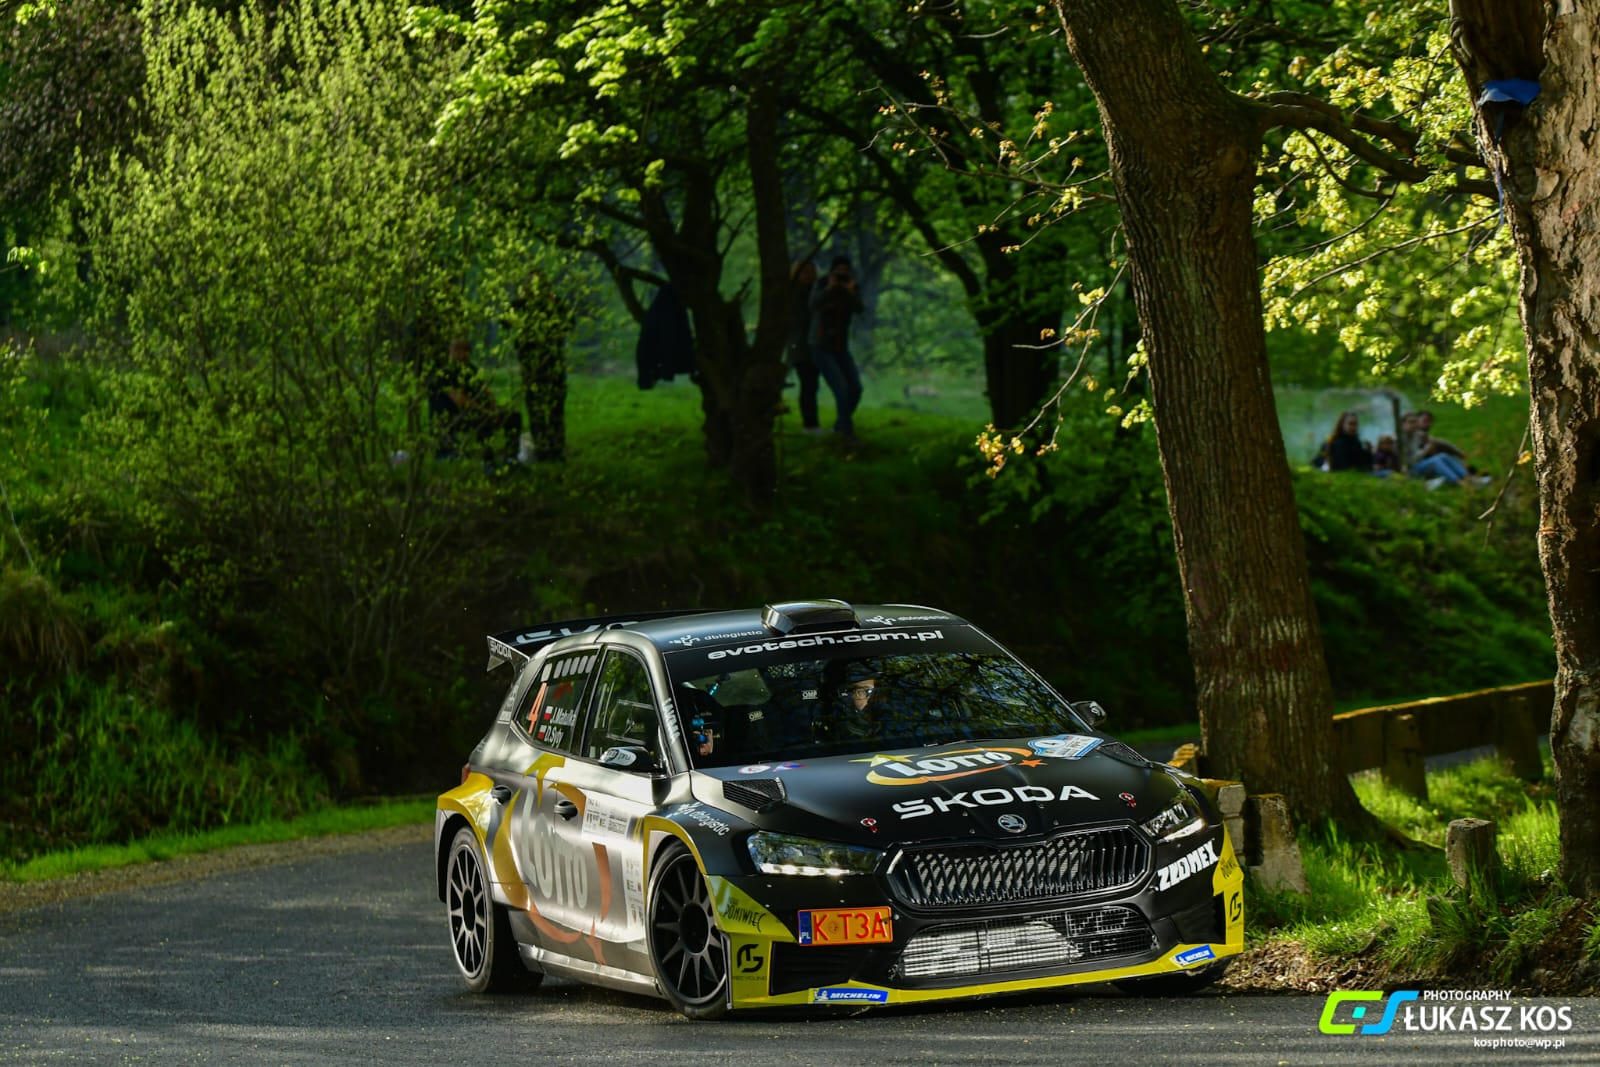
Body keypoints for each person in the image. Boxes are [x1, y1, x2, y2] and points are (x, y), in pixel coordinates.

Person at [429, 337, 522, 467]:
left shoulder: (471, 370)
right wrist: (484, 411)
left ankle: (511, 458)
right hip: (449, 418)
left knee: (513, 417)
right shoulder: (443, 374)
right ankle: (487, 461)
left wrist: (493, 408)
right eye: (458, 349)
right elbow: (459, 400)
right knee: (483, 418)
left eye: (466, 350)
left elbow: (486, 392)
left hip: (471, 413)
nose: (463, 353)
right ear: (450, 351)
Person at [809, 255, 866, 440]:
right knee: (840, 388)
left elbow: (859, 308)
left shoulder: (851, 286)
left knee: (855, 388)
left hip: (841, 346)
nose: (842, 274)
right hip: (820, 345)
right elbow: (813, 304)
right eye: (838, 270)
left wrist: (850, 291)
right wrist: (829, 288)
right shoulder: (822, 284)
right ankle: (846, 431)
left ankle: (841, 425)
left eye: (845, 270)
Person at [788, 261, 824, 433]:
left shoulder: (815, 292)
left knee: (811, 385)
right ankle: (810, 424)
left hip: (814, 345)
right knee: (809, 385)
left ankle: (811, 423)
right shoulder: (794, 294)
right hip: (802, 346)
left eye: (811, 271)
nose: (809, 275)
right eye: (805, 272)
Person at [1406, 408, 1472, 486]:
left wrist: (1458, 452)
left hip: (1421, 464)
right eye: (1411, 422)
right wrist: (1426, 450)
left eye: (1414, 422)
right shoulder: (1401, 439)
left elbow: (1440, 443)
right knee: (1436, 460)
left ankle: (1469, 479)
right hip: (1411, 470)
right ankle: (1458, 482)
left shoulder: (1416, 436)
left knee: (1443, 456)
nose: (1414, 425)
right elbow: (1410, 461)